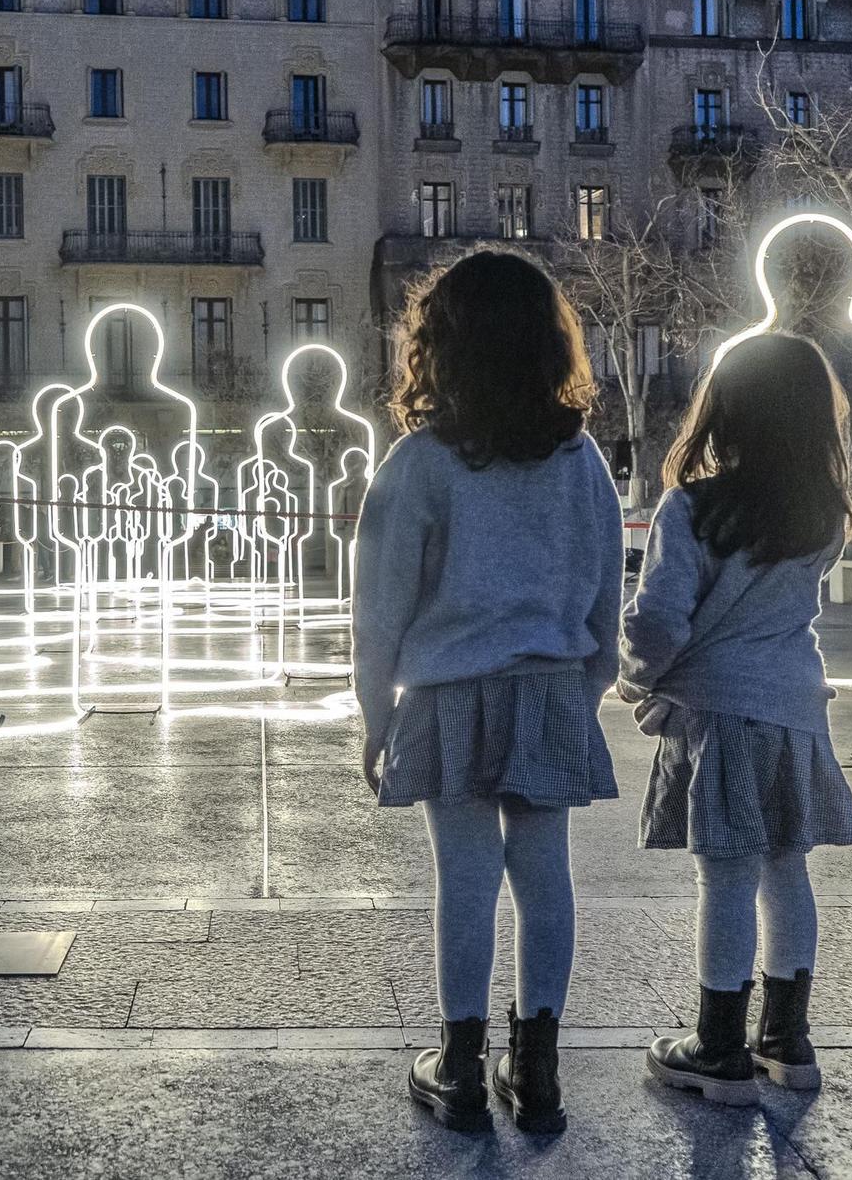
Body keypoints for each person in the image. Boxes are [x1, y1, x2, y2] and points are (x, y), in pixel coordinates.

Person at [353, 252, 622, 1135]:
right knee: (547, 875)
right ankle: (537, 1066)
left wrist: (376, 712)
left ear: (442, 346)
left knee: (463, 876)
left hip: (448, 689)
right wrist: (583, 688)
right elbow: (601, 589)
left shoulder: (420, 463)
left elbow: (381, 604)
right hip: (547, 684)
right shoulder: (579, 460)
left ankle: (460, 1063)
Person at [620, 334, 852, 1108]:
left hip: (720, 715)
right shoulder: (824, 515)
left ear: (724, 410)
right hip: (796, 710)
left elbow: (659, 621)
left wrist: (636, 681)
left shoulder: (690, 508)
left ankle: (716, 1045)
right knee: (785, 868)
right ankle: (788, 1039)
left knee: (723, 876)